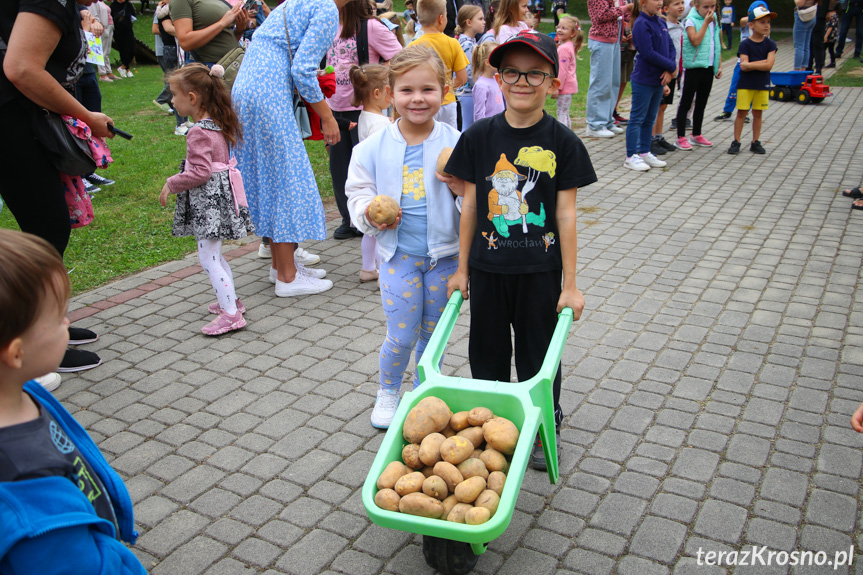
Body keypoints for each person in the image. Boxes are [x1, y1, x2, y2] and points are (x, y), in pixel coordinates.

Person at [444, 31, 597, 470]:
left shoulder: (563, 143)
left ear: (553, 81)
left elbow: (566, 215)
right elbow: (471, 204)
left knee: (538, 355)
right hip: (488, 270)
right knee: (487, 355)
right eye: (512, 71)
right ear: (498, 78)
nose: (523, 81)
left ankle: (543, 424)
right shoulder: (478, 137)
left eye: (535, 73)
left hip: (541, 273)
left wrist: (571, 285)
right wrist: (461, 270)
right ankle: (490, 427)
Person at [0, 229, 147, 575]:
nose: (68, 322)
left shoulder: (26, 392)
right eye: (59, 316)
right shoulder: (28, 493)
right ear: (17, 353)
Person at [345, 45, 462, 429]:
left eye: (428, 89)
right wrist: (367, 213)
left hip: (446, 257)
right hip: (398, 258)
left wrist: (461, 189)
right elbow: (358, 192)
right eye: (407, 90)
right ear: (389, 93)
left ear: (445, 90)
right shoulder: (371, 148)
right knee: (401, 334)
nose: (417, 99)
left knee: (434, 334)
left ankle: (425, 392)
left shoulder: (456, 142)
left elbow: (477, 199)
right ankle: (389, 390)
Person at [1, 0, 114, 374]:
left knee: (48, 229)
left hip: (20, 121)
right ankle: (37, 344)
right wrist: (85, 116)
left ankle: (47, 329)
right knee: (46, 232)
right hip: (10, 123)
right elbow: (20, 68)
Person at [233, 0, 345, 297]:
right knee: (282, 179)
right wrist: (328, 117)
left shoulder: (300, 2)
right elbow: (304, 70)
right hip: (267, 93)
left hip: (250, 87)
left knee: (269, 177)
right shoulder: (327, 8)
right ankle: (287, 275)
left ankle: (280, 266)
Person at [159, 64, 253, 335]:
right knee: (214, 254)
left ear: (192, 98)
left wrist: (171, 183)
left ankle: (231, 314)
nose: (172, 100)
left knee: (208, 258)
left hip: (209, 204)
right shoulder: (216, 124)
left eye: (174, 95)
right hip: (219, 199)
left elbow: (199, 172)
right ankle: (231, 300)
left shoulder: (198, 131)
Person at [326, 0, 402, 241]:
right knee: (339, 167)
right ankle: (348, 218)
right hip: (334, 108)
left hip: (361, 109)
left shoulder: (371, 27)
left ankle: (372, 214)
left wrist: (374, 78)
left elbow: (399, 58)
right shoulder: (329, 25)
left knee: (364, 168)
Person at [350, 63, 392, 284]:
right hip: (380, 180)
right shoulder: (381, 124)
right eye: (390, 90)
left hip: (369, 177)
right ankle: (383, 272)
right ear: (377, 93)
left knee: (370, 230)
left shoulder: (366, 116)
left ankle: (368, 268)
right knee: (380, 231)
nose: (392, 96)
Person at [624, 0, 676, 171]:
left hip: (659, 79)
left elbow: (670, 46)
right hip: (644, 79)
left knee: (650, 118)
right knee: (637, 118)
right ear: (643, 2)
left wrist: (670, 69)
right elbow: (648, 52)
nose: (659, 2)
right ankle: (631, 156)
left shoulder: (661, 21)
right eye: (655, 0)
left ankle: (645, 151)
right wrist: (670, 66)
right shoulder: (641, 23)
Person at [727, 5, 776, 155]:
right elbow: (743, 67)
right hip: (745, 85)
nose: (766, 25)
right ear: (751, 25)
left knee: (758, 113)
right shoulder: (745, 44)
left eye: (768, 22)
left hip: (762, 84)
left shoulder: (770, 44)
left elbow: (769, 65)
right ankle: (736, 141)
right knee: (742, 112)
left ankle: (755, 142)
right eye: (762, 22)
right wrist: (756, 64)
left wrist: (750, 64)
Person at [412, 0, 469, 129]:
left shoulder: (413, 46)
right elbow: (462, 78)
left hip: (424, 102)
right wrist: (444, 87)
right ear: (441, 18)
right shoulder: (453, 43)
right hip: (447, 101)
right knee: (449, 140)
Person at [674, 0, 721, 150]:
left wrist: (718, 64)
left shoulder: (714, 20)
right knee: (687, 102)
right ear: (696, 6)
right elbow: (695, 41)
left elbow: (716, 42)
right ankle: (680, 137)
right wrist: (706, 23)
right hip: (693, 67)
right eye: (706, 7)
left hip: (708, 66)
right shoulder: (691, 21)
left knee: (702, 102)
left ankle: (696, 134)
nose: (710, 10)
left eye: (712, 7)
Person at [714, 3, 762, 121]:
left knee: (750, 88)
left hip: (756, 65)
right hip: (741, 63)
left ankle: (745, 112)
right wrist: (758, 14)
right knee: (734, 87)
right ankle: (727, 110)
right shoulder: (746, 25)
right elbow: (743, 20)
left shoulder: (763, 29)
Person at [585, 0, 626, 137]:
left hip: (614, 40)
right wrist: (625, 9)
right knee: (600, 83)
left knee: (613, 82)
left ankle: (607, 120)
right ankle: (595, 125)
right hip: (602, 40)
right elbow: (601, 15)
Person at [169, 0, 250, 66]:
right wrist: (222, 23)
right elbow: (185, 42)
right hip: (207, 69)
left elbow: (223, 37)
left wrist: (240, 29)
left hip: (231, 65)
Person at [650, 0, 684, 155]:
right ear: (666, 8)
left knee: (663, 106)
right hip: (663, 71)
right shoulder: (663, 26)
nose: (681, 6)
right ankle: (649, 139)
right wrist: (667, 69)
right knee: (655, 106)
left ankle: (658, 136)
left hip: (673, 70)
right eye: (676, 3)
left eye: (682, 2)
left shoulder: (680, 25)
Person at [455, 4, 486, 131]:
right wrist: (479, 86)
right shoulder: (467, 44)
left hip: (469, 91)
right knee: (468, 127)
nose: (484, 22)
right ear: (468, 22)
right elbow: (468, 71)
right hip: (467, 92)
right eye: (480, 19)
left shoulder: (471, 42)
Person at [554, 15, 582, 129]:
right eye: (558, 27)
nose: (559, 30)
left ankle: (563, 138)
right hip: (568, 87)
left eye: (564, 28)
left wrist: (556, 87)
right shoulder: (568, 45)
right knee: (564, 114)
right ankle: (568, 135)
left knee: (561, 114)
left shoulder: (564, 48)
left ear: (573, 33)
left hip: (564, 88)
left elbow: (562, 70)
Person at [614, 0, 635, 125]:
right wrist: (619, 33)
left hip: (631, 43)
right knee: (616, 78)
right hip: (618, 41)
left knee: (624, 78)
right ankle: (611, 110)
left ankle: (614, 109)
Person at [472, 41, 505, 121]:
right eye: (498, 58)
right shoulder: (481, 85)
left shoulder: (496, 79)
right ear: (487, 62)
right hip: (489, 128)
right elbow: (479, 113)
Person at [110, 0, 136, 78]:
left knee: (132, 49)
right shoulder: (113, 6)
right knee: (123, 50)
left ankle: (123, 67)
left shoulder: (128, 5)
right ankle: (127, 70)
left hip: (128, 30)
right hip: (118, 31)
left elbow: (133, 17)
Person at [793, 0, 818, 70]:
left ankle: (797, 70)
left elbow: (800, 3)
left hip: (803, 15)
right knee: (806, 46)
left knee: (799, 46)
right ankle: (803, 69)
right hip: (811, 14)